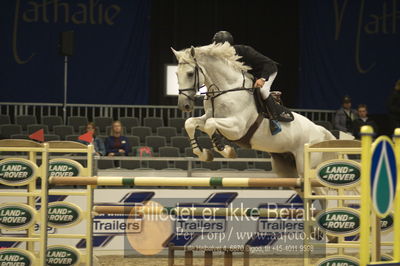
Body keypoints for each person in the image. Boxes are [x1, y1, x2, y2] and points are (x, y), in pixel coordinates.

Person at [212, 31, 293, 135]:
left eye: (219, 46)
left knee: (263, 91)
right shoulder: (222, 57)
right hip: (251, 76)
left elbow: (268, 64)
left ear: (227, 45)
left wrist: (262, 79)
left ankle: (274, 120)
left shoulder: (244, 50)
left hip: (267, 71)